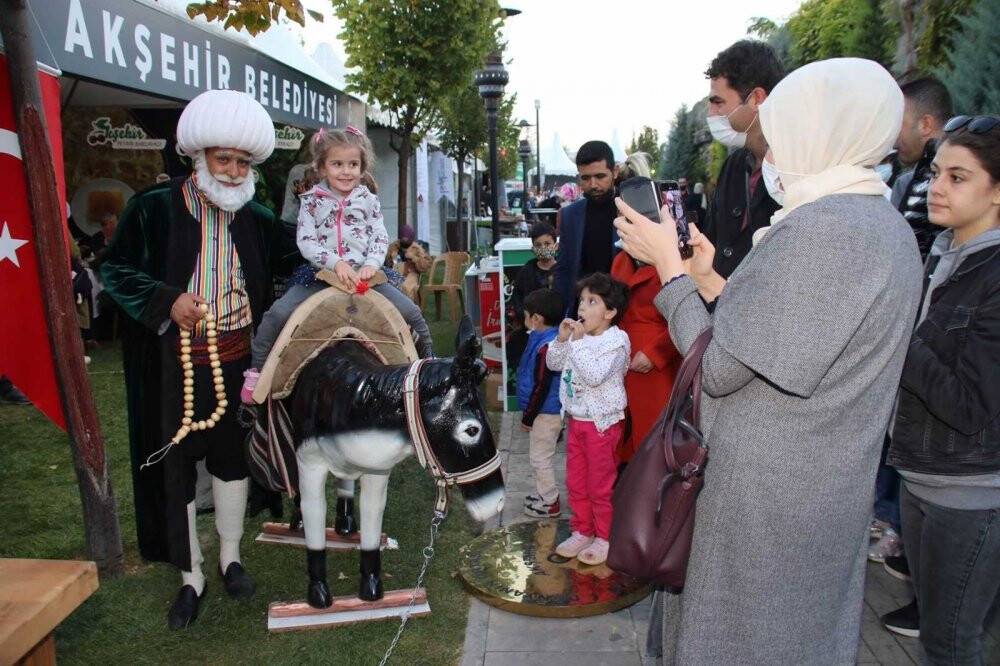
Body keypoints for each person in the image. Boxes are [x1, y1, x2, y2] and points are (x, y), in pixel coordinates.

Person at [614, 58, 922, 663]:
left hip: (767, 505)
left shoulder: (828, 229)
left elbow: (722, 369)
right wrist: (710, 283)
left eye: (781, 133)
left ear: (823, 132)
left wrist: (670, 273)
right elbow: (794, 334)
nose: (770, 153)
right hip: (809, 491)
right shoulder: (872, 221)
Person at [100, 89, 298, 629]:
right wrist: (167, 299)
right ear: (199, 157)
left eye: (242, 162)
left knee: (232, 459)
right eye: (223, 159)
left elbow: (303, 258)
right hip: (171, 365)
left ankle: (231, 557)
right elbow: (113, 271)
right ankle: (192, 575)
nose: (233, 171)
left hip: (238, 360)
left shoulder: (255, 217)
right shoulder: (151, 208)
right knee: (178, 466)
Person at [878, 116, 1000, 661]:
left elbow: (969, 404)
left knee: (952, 642)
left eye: (959, 177)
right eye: (935, 173)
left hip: (971, 491)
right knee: (937, 636)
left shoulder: (992, 273)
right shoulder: (943, 254)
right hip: (921, 475)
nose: (937, 188)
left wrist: (901, 330)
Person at [243, 126, 433, 400]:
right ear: (321, 168)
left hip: (366, 277)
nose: (346, 171)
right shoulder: (311, 202)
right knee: (276, 315)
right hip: (321, 276)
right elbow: (306, 241)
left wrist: (371, 263)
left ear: (362, 167)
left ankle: (428, 369)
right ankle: (257, 372)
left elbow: (379, 236)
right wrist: (335, 264)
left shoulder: (369, 201)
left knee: (412, 314)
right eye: (337, 164)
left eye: (353, 164)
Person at [869, 76, 955, 569]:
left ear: (926, 123)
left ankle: (901, 533)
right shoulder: (909, 178)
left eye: (897, 123)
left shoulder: (930, 182)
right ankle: (892, 524)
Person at [547, 273, 630, 566]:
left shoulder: (616, 344)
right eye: (582, 300)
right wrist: (560, 340)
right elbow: (553, 363)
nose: (582, 307)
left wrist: (577, 344)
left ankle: (604, 537)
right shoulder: (577, 340)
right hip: (577, 421)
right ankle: (582, 530)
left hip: (602, 425)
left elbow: (594, 376)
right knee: (577, 481)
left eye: (592, 301)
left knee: (599, 485)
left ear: (610, 312)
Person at [700, 40, 784, 278]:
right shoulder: (734, 165)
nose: (711, 114)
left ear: (757, 98)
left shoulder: (795, 168)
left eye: (718, 102)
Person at [552, 141, 622, 315]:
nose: (593, 185)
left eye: (600, 176)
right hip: (581, 312)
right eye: (585, 178)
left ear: (615, 172)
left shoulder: (630, 211)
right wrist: (559, 315)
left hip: (621, 309)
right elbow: (563, 267)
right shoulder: (569, 215)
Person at [516, 288, 565, 519]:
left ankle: (550, 501)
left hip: (545, 412)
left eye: (526, 315)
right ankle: (543, 494)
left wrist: (528, 416)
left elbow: (542, 385)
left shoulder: (546, 346)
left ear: (537, 319)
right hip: (543, 411)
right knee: (540, 455)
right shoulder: (541, 338)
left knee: (540, 458)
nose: (523, 319)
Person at [892, 76, 953, 259]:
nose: (893, 138)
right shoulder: (905, 184)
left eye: (898, 123)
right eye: (935, 174)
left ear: (925, 124)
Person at [511, 222, 558, 318]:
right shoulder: (526, 272)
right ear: (533, 249)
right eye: (538, 245)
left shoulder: (563, 271)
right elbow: (518, 301)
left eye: (547, 244)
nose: (543, 248)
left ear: (556, 246)